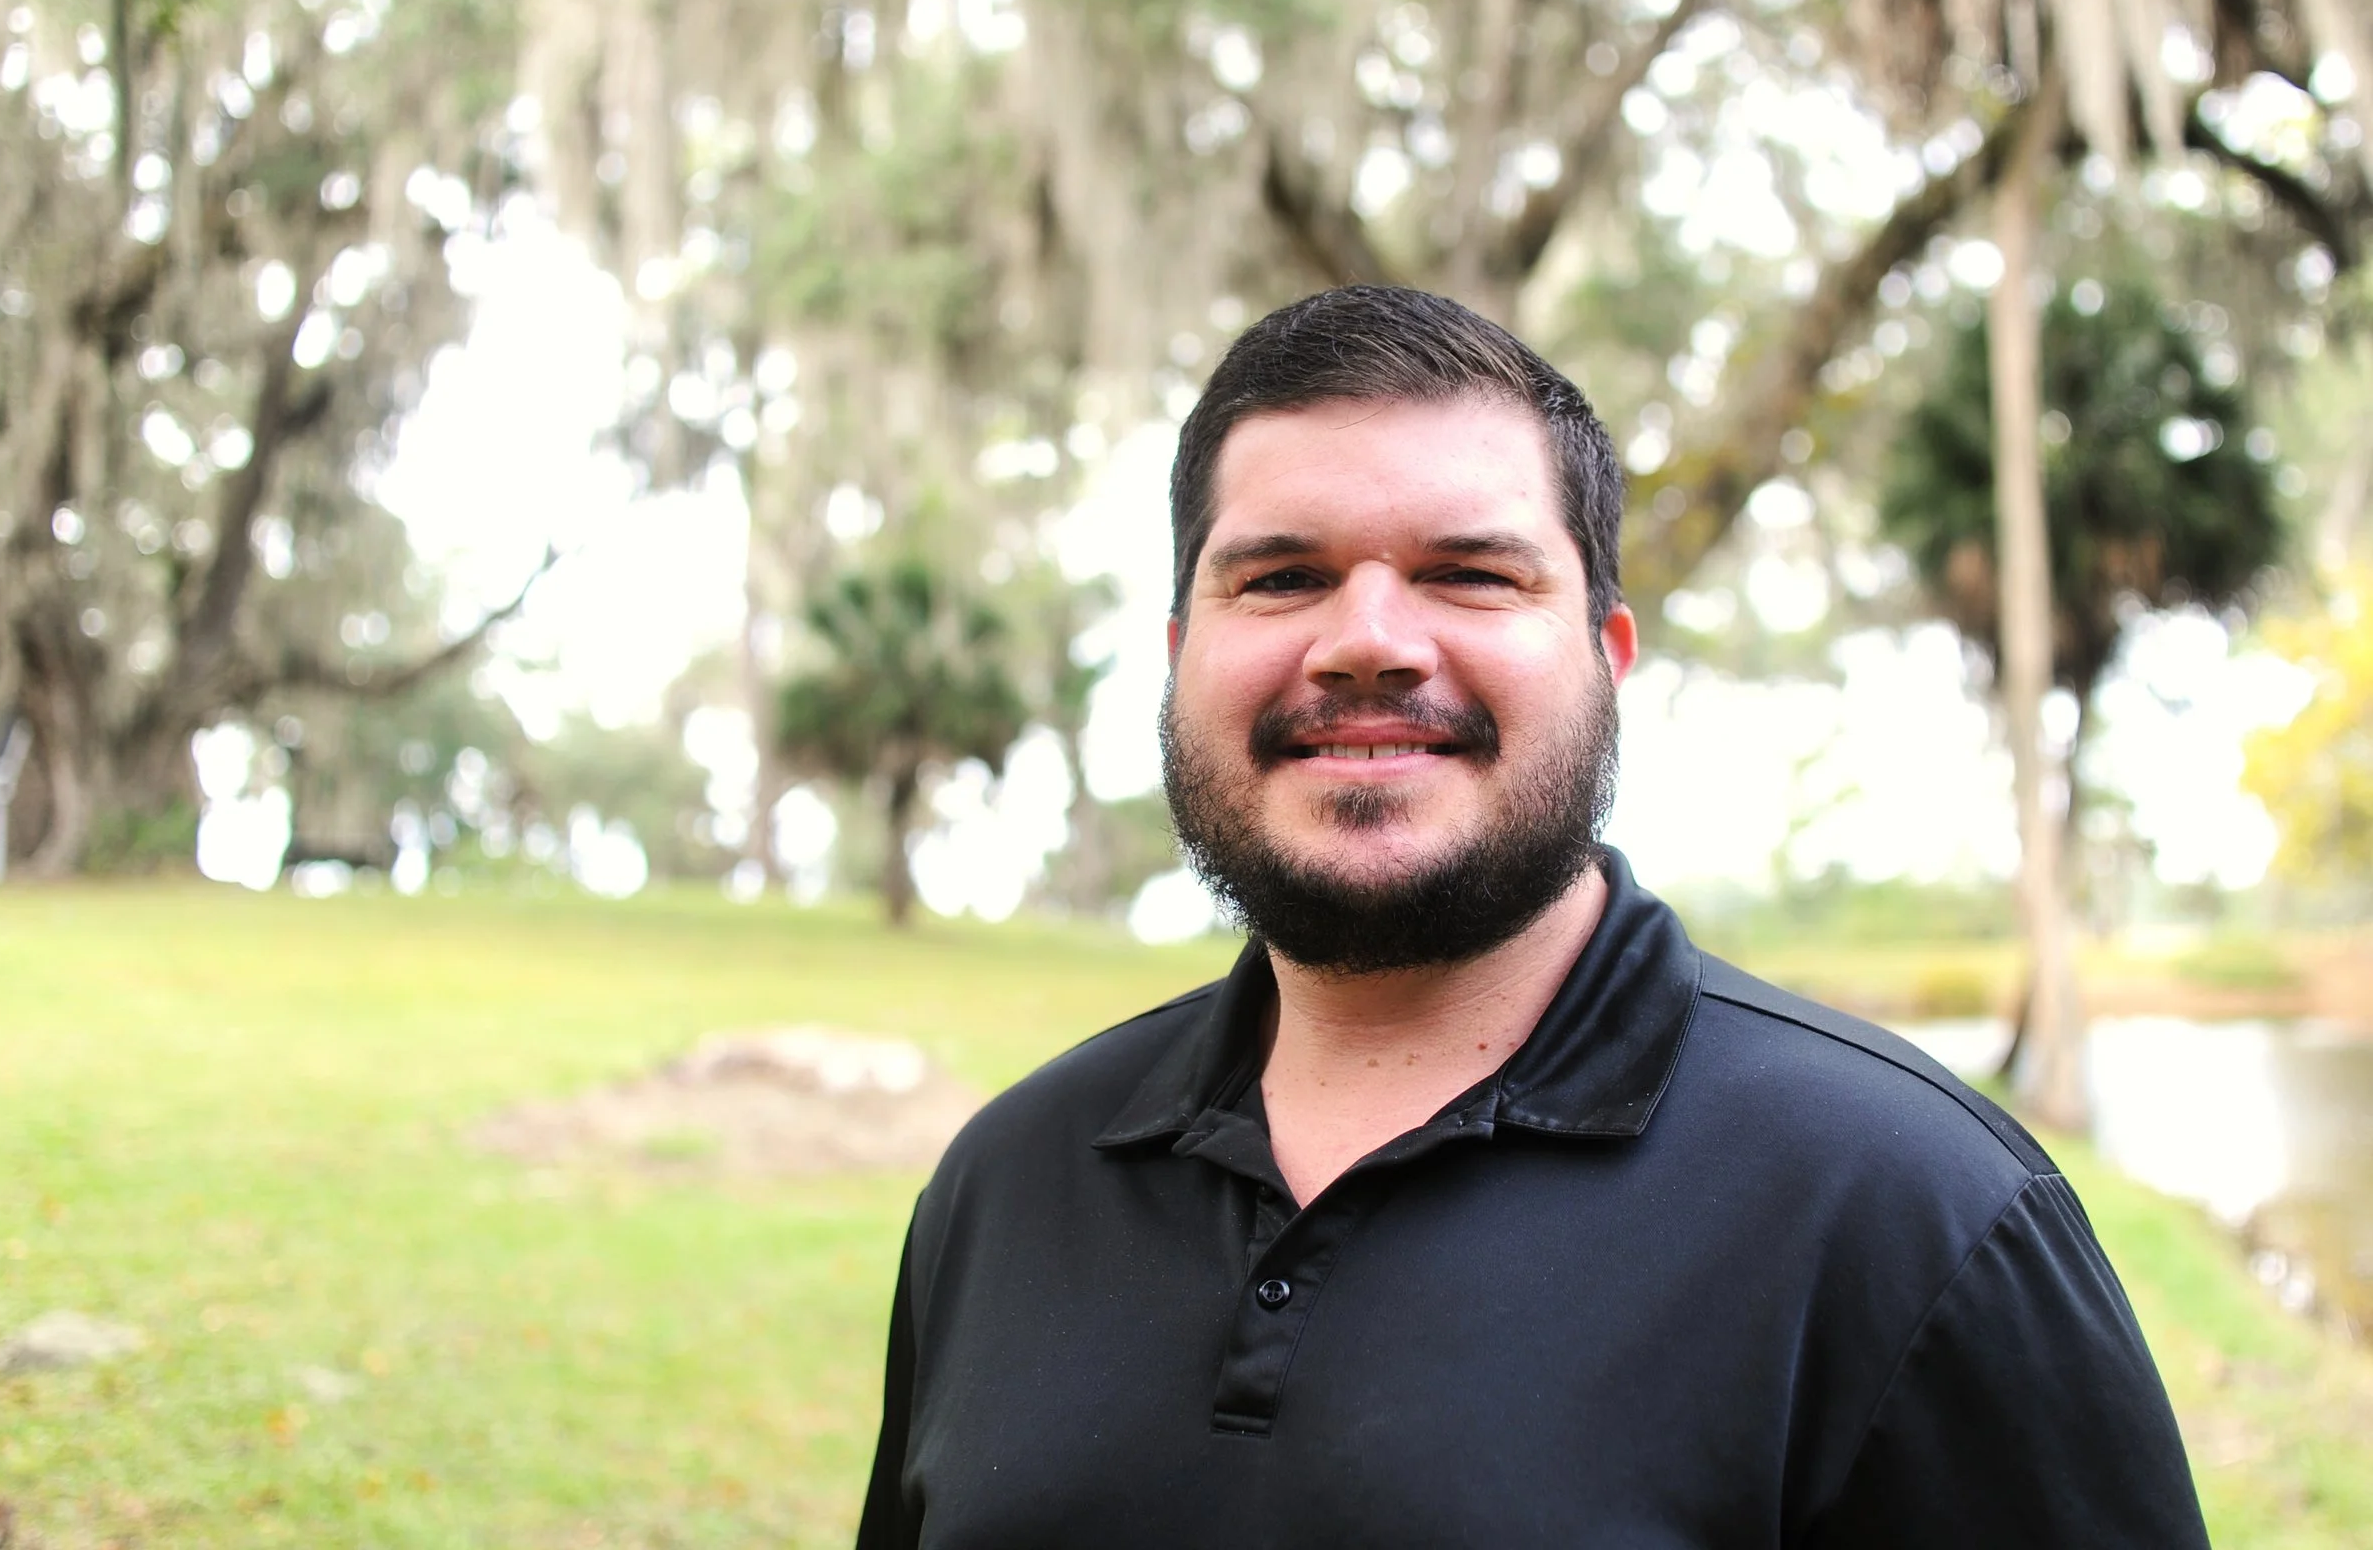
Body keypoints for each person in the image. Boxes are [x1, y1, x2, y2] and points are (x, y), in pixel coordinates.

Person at [855, 285, 2208, 1548]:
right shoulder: (1008, 1184)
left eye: (1471, 574)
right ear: (1177, 659)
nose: (1367, 641)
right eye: (1281, 578)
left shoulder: (1916, 1213)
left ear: (1608, 660)